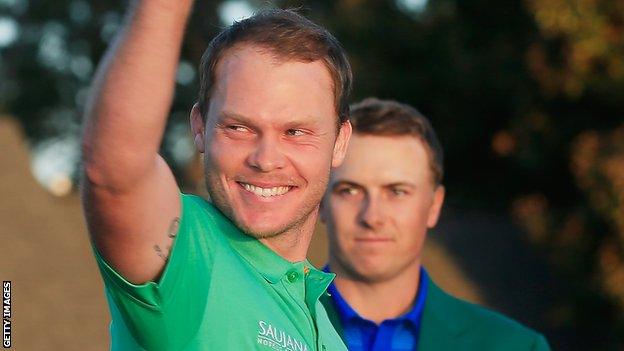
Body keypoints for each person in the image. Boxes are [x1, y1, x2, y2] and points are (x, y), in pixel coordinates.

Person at [80, 1, 353, 350]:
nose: (266, 160)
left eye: (296, 132)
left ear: (340, 141)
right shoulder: (188, 255)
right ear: (199, 127)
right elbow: (114, 173)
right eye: (239, 127)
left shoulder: (329, 332)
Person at [319, 98, 551, 351]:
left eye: (397, 191)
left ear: (434, 205)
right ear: (320, 202)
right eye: (350, 191)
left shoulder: (515, 347)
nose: (372, 216)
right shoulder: (273, 331)